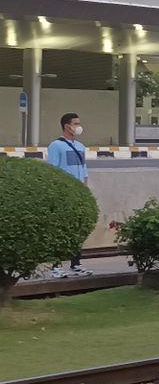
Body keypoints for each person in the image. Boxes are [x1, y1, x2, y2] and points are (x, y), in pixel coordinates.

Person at [45, 112, 92, 276]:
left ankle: (76, 264)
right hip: (64, 194)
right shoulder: (56, 146)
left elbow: (84, 171)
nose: (79, 127)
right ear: (67, 126)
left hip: (79, 194)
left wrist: (85, 191)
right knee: (60, 230)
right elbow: (52, 171)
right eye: (76, 123)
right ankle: (56, 266)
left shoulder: (80, 147)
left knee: (77, 229)